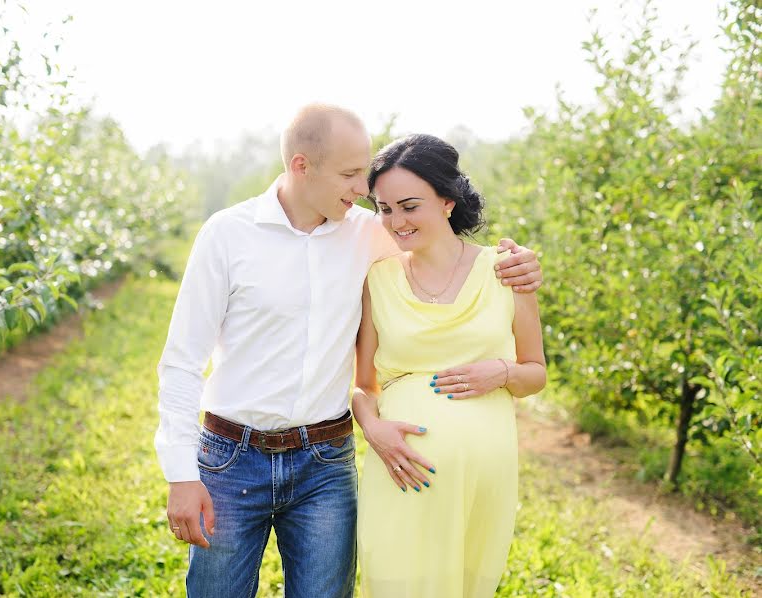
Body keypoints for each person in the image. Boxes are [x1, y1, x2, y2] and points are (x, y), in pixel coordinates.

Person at [154, 104, 543, 598]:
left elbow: (438, 242)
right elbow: (182, 362)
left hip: (324, 464)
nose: (364, 188)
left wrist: (522, 268)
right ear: (301, 165)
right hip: (232, 459)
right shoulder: (228, 235)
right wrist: (181, 475)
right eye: (350, 173)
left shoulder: (370, 233)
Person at [352, 134, 547, 597]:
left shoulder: (505, 271)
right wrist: (372, 429)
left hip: (485, 477)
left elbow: (535, 372)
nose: (396, 221)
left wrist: (500, 372)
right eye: (384, 208)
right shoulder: (377, 280)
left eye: (409, 205)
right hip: (404, 473)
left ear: (447, 200)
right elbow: (364, 386)